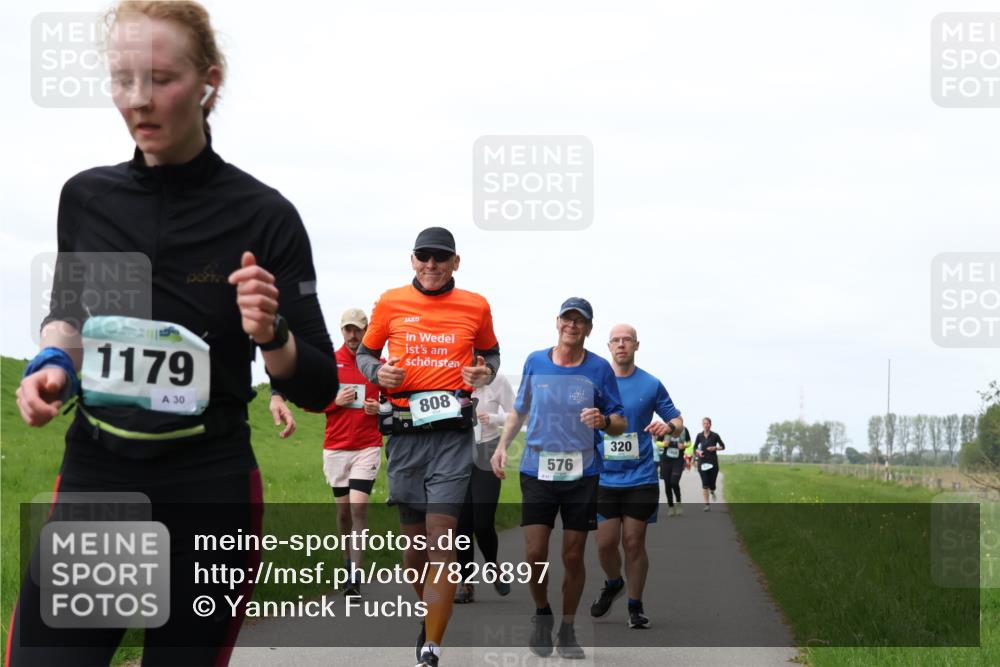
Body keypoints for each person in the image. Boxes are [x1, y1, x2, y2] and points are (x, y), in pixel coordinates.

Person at [9, 2, 338, 665]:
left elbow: (319, 386)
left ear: (209, 82)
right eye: (122, 79)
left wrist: (271, 332)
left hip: (208, 490)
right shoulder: (87, 198)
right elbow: (69, 317)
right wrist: (52, 365)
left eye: (161, 79)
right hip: (100, 481)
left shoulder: (265, 216)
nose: (138, 99)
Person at [355, 227, 499, 667]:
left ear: (456, 262)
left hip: (452, 437)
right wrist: (378, 373)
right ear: (412, 259)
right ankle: (430, 611)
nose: (431, 265)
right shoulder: (390, 302)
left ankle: (432, 646)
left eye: (440, 258)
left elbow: (491, 356)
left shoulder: (476, 305)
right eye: (424, 257)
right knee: (414, 551)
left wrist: (484, 374)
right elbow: (365, 354)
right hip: (404, 437)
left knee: (441, 538)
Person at [491, 298, 626, 660]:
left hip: (583, 474)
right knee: (535, 553)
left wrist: (604, 421)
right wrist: (502, 445)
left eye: (580, 321)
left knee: (572, 555)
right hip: (537, 470)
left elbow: (619, 421)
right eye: (568, 318)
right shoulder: (536, 361)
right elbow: (519, 409)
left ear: (589, 329)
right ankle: (542, 614)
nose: (572, 325)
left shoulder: (599, 369)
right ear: (557, 322)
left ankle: (567, 629)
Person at [590, 324, 683, 629]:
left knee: (633, 542)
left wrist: (668, 427)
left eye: (627, 340)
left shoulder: (650, 384)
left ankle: (635, 606)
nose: (621, 345)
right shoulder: (595, 383)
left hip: (640, 476)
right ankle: (614, 582)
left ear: (636, 345)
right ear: (608, 346)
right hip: (603, 477)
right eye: (616, 340)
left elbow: (677, 420)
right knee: (605, 544)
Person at [319, 308, 383, 597]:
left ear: (367, 330)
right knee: (343, 512)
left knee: (358, 507)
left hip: (367, 446)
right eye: (348, 329)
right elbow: (313, 403)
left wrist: (380, 408)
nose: (353, 335)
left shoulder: (378, 365)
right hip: (336, 447)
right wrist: (335, 401)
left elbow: (394, 402)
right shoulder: (330, 363)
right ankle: (346, 562)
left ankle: (355, 575)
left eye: (358, 329)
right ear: (342, 330)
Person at [454, 373, 516, 604]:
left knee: (482, 522)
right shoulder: (449, 377)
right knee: (462, 525)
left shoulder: (498, 381)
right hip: (456, 452)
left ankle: (492, 566)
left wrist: (493, 418)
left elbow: (517, 415)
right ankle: (466, 583)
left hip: (487, 450)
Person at [695, 417, 726, 510]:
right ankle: (707, 505)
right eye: (704, 423)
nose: (706, 425)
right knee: (705, 484)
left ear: (710, 425)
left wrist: (715, 448)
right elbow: (695, 447)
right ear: (702, 425)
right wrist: (698, 452)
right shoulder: (699, 435)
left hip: (713, 463)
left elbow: (723, 446)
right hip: (702, 462)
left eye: (707, 423)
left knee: (712, 485)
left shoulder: (715, 435)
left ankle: (712, 491)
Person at [660, 425, 691, 516]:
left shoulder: (684, 429)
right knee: (667, 485)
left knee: (674, 482)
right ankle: (671, 507)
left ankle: (678, 502)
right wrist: (663, 444)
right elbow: (658, 441)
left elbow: (689, 442)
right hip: (666, 461)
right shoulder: (665, 428)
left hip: (678, 460)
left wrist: (684, 445)